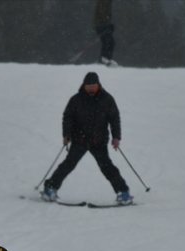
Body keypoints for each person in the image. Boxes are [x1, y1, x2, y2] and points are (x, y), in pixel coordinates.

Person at [42, 72, 133, 206]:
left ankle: (123, 192)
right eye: (88, 86)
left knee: (107, 167)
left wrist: (116, 137)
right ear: (84, 86)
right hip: (80, 140)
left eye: (93, 86)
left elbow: (114, 119)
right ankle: (50, 188)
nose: (91, 88)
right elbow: (67, 117)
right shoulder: (76, 99)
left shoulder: (107, 99)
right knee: (68, 165)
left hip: (99, 141)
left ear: (98, 85)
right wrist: (66, 134)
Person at [94, 0, 117, 67]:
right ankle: (104, 58)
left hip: (102, 24)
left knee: (110, 42)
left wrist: (109, 25)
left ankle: (106, 59)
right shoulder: (104, 1)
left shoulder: (108, 2)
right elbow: (102, 13)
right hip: (101, 25)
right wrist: (107, 25)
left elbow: (106, 15)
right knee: (108, 41)